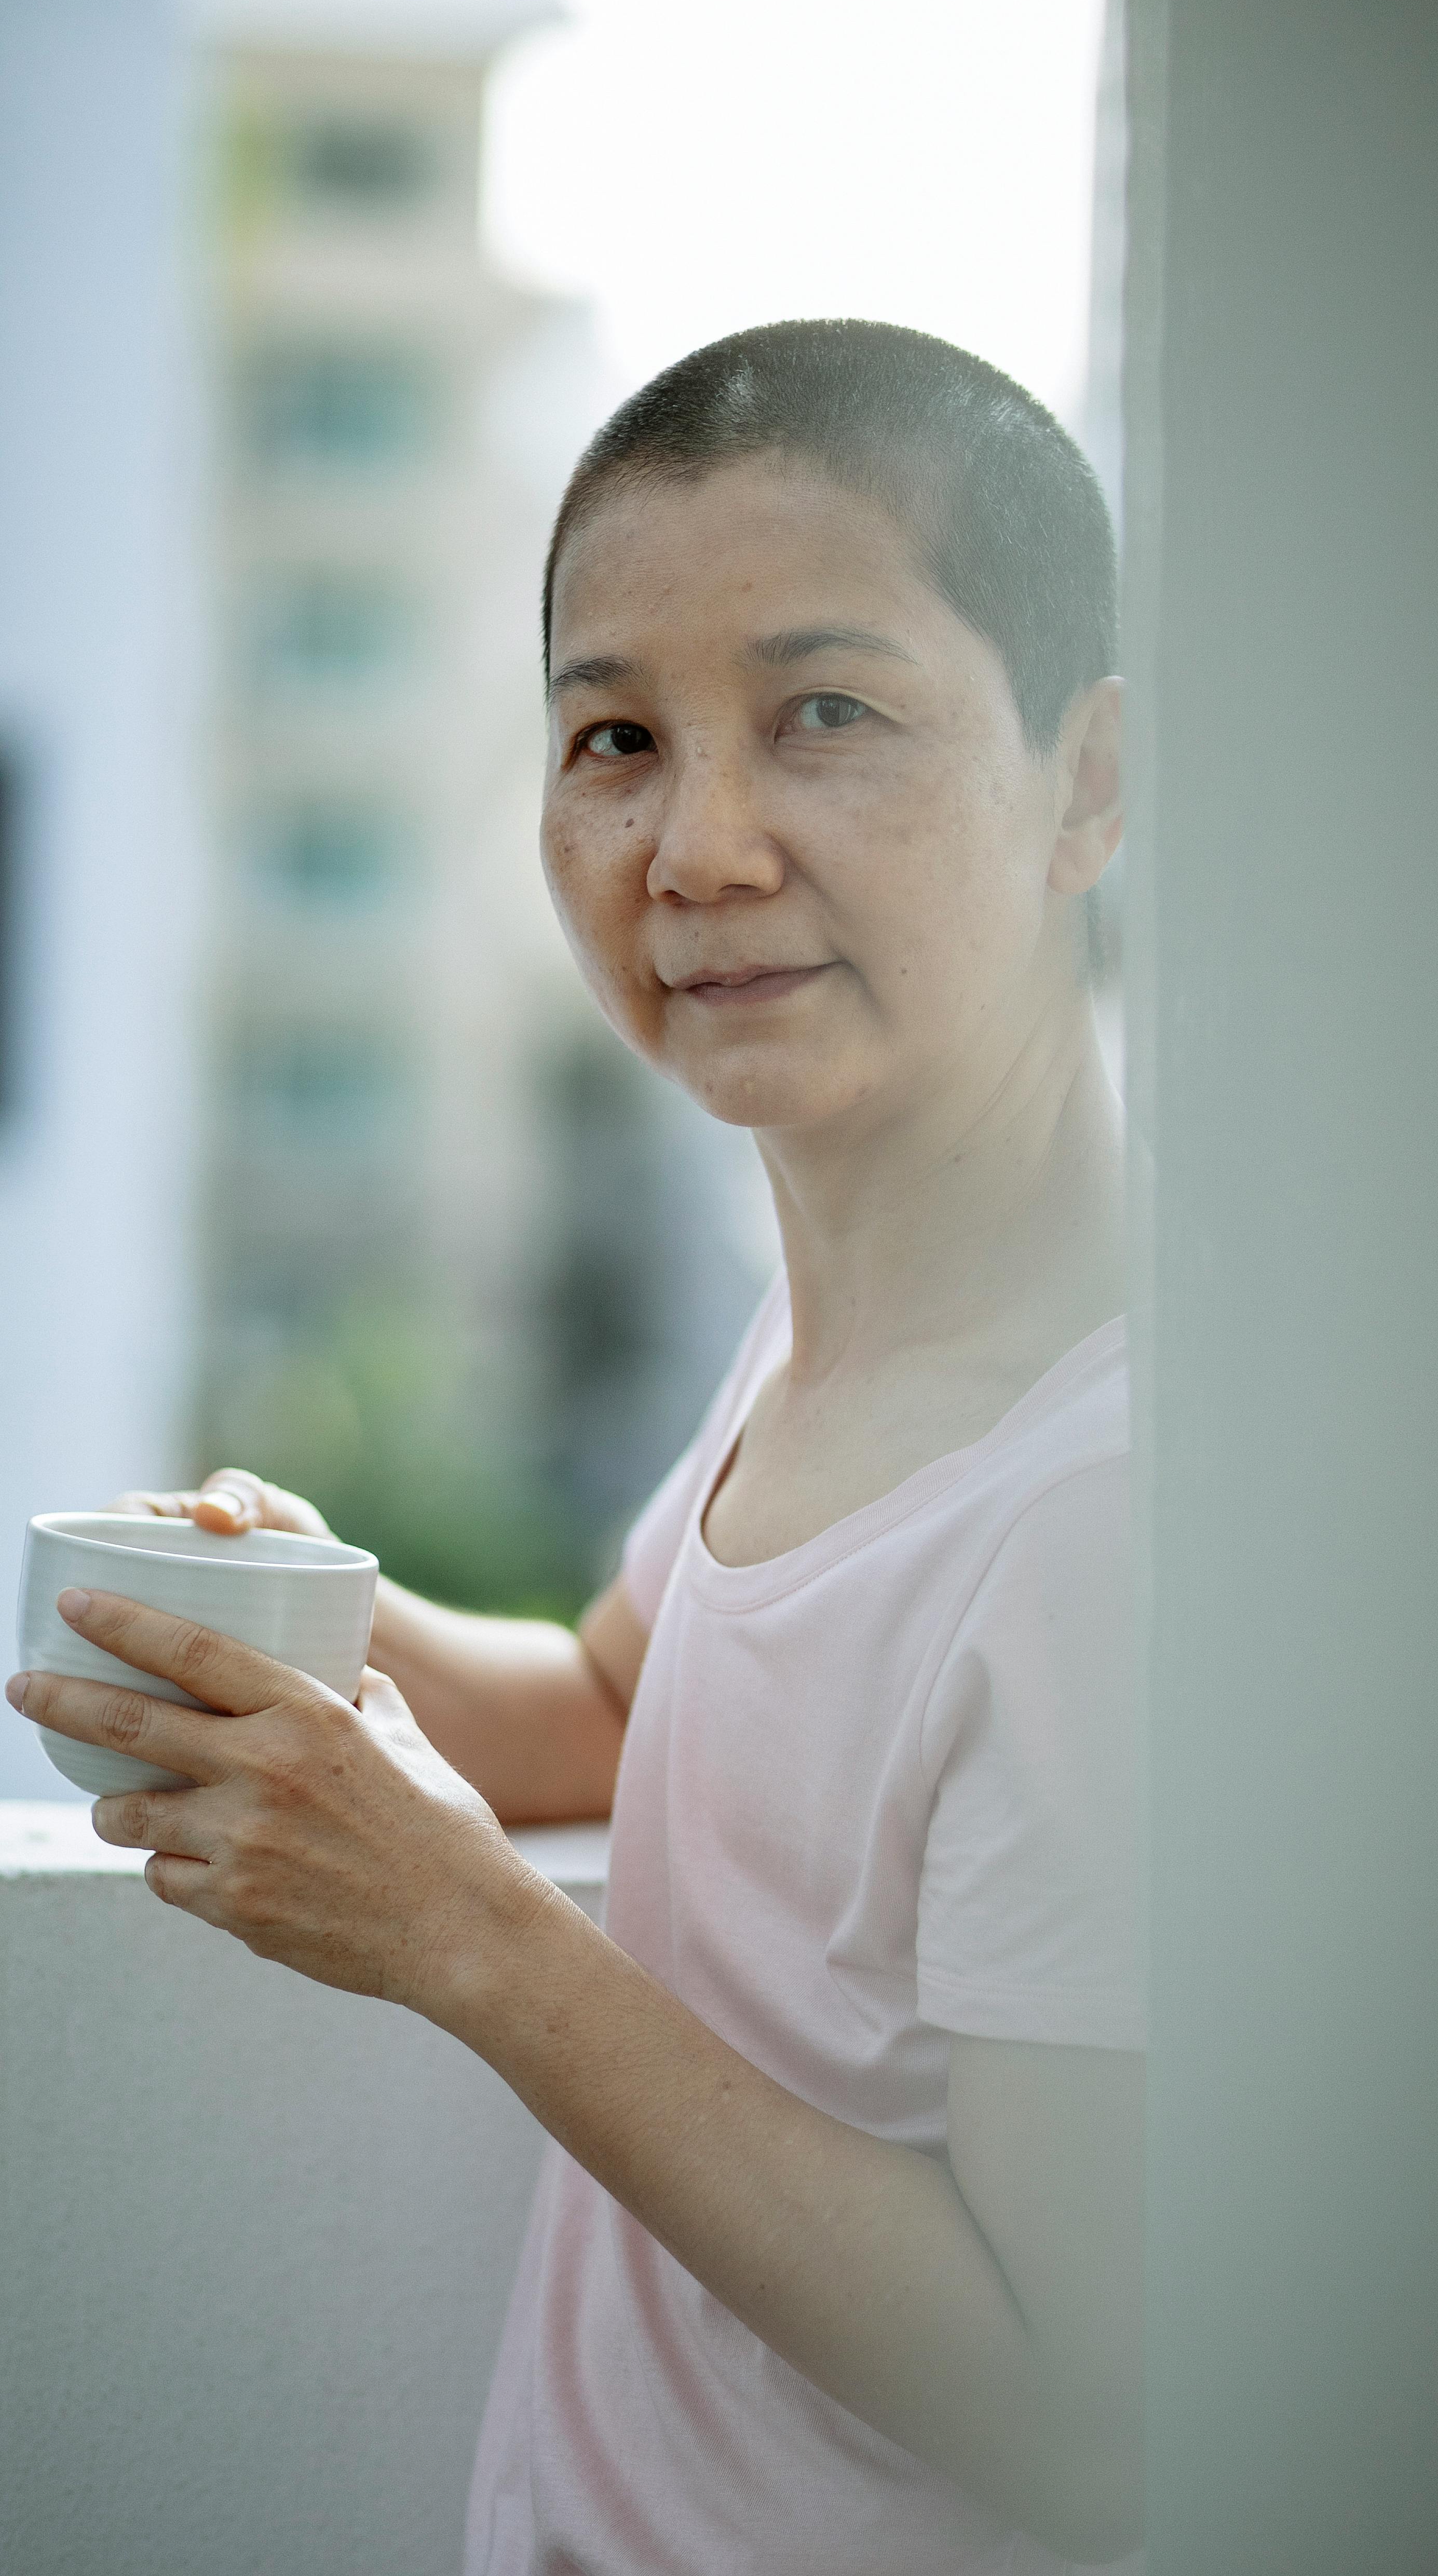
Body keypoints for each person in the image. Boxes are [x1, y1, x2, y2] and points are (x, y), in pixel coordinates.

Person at [8, 321, 1143, 2572]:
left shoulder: (1125, 1502)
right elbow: (637, 1712)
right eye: (616, 737)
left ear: (1091, 785)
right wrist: (331, 1624)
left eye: (827, 711)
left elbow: (1093, 2416)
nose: (699, 846)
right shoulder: (835, 1334)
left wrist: (470, 1942)